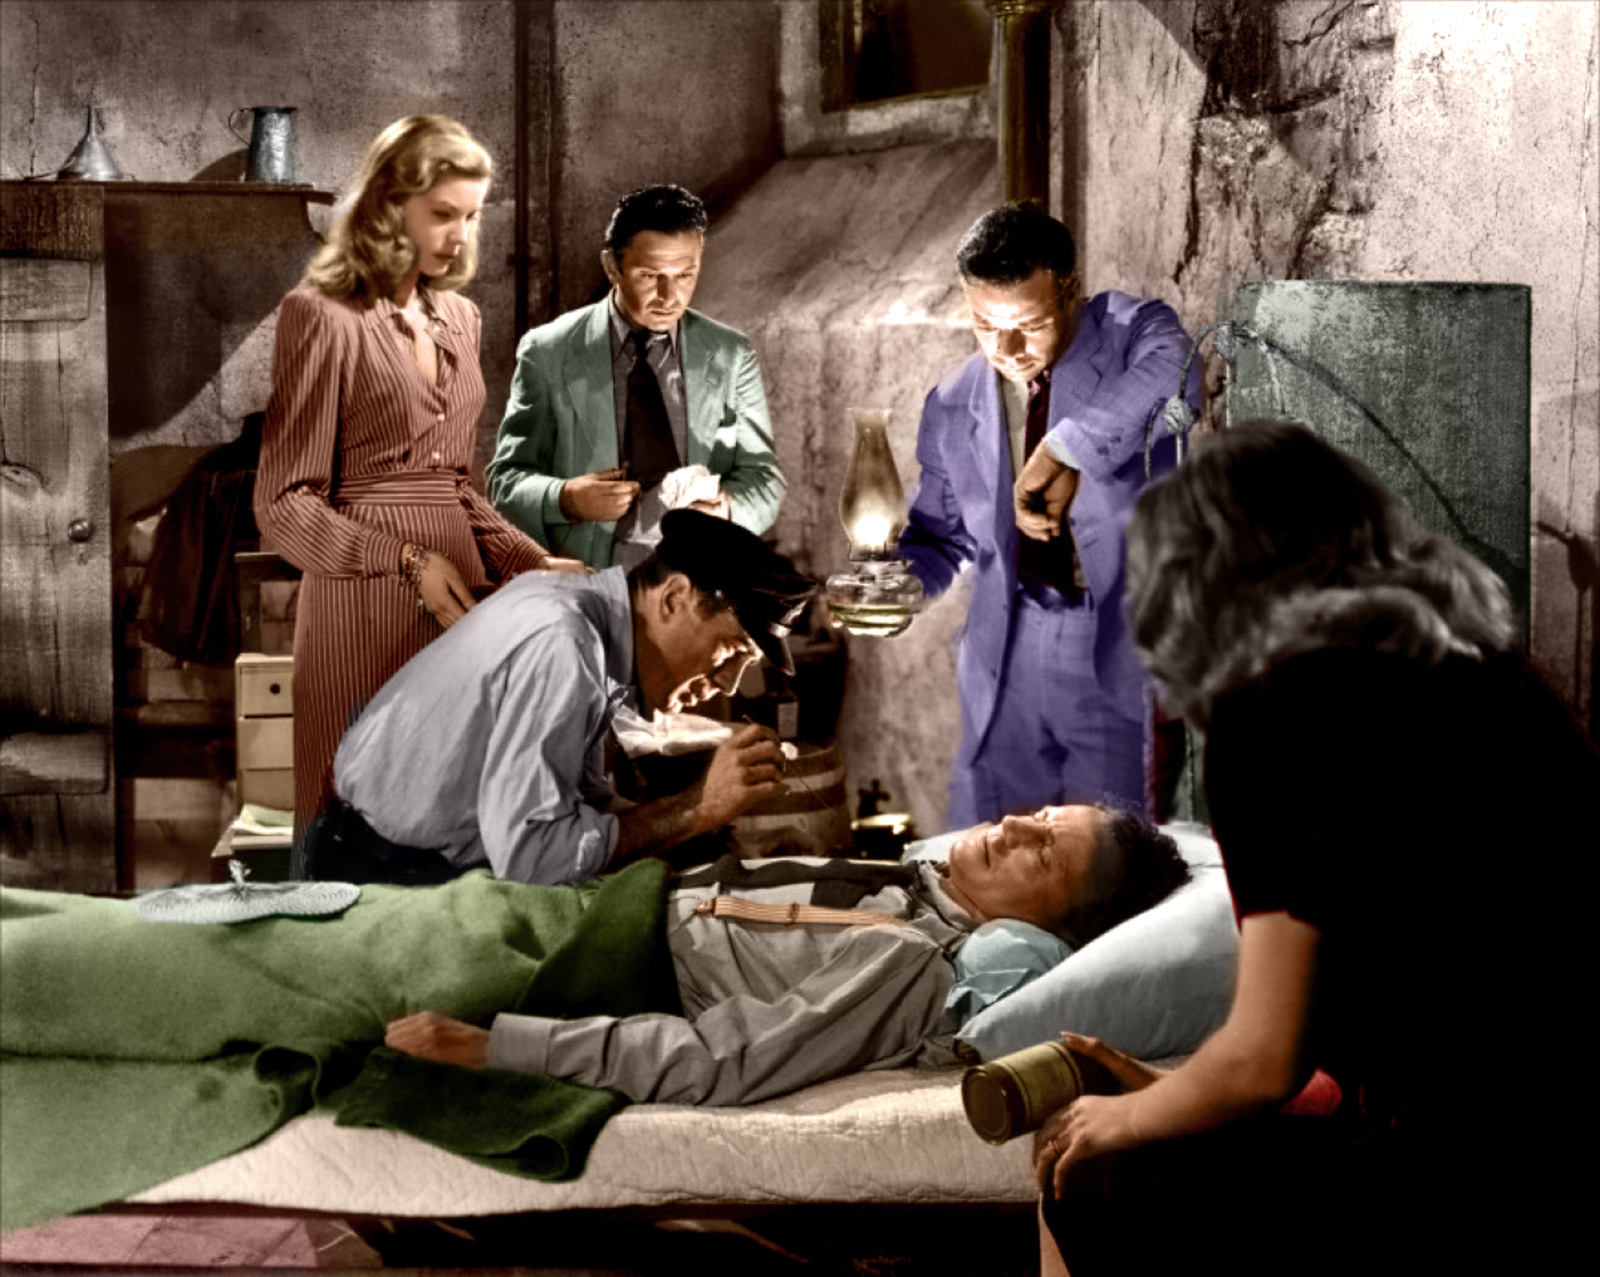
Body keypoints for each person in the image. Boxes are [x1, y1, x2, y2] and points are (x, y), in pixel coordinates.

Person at [1032, 422, 1599, 1277]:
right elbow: (1403, 1016)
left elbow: (1267, 1058)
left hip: (1484, 1177)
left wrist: (1133, 1116)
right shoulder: (1480, 666)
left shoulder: (1268, 707)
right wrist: (1179, 1092)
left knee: (1082, 1172)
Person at [253, 116, 586, 858]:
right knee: (352, 822)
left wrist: (532, 563)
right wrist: (404, 560)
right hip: (361, 606)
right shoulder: (321, 315)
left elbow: (456, 486)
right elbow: (283, 504)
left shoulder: (460, 319)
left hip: (460, 599)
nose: (460, 236)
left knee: (445, 811)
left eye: (471, 216)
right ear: (388, 206)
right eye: (443, 213)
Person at [385, 802, 1190, 1106]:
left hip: (591, 964)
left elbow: (725, 1059)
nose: (1011, 825)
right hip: (588, 906)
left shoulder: (913, 961)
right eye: (1040, 814)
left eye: (1041, 855)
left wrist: (500, 1045)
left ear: (1050, 932)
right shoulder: (917, 880)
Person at [304, 509, 813, 887]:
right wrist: (695, 808)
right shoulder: (564, 643)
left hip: (390, 853)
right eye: (730, 651)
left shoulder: (578, 612)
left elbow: (577, 799)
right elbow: (531, 859)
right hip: (382, 876)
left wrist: (694, 832)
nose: (728, 684)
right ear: (674, 598)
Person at [898, 203, 1199, 829]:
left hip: (1112, 640)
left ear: (1069, 290)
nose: (1006, 349)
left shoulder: (1132, 333)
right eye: (985, 325)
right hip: (1003, 644)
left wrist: (1066, 449)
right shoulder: (952, 401)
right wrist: (897, 590)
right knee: (992, 848)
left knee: (1104, 853)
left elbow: (1179, 372)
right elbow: (939, 538)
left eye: (1029, 325)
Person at [487, 184, 785, 571]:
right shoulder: (548, 352)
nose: (669, 296)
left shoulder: (731, 354)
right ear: (612, 267)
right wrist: (566, 498)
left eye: (685, 274)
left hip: (698, 572)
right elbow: (505, 482)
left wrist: (725, 509)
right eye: (649, 275)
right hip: (590, 575)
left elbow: (764, 479)